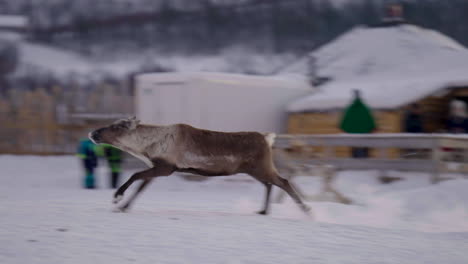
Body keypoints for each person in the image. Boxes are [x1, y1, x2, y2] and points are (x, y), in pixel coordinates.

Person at [339, 89, 376, 158]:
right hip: (365, 137)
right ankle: (364, 166)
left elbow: (343, 124)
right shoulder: (365, 109)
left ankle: (356, 166)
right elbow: (371, 123)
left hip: (353, 137)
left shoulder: (350, 109)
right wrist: (369, 130)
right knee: (364, 153)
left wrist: (349, 130)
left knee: (355, 153)